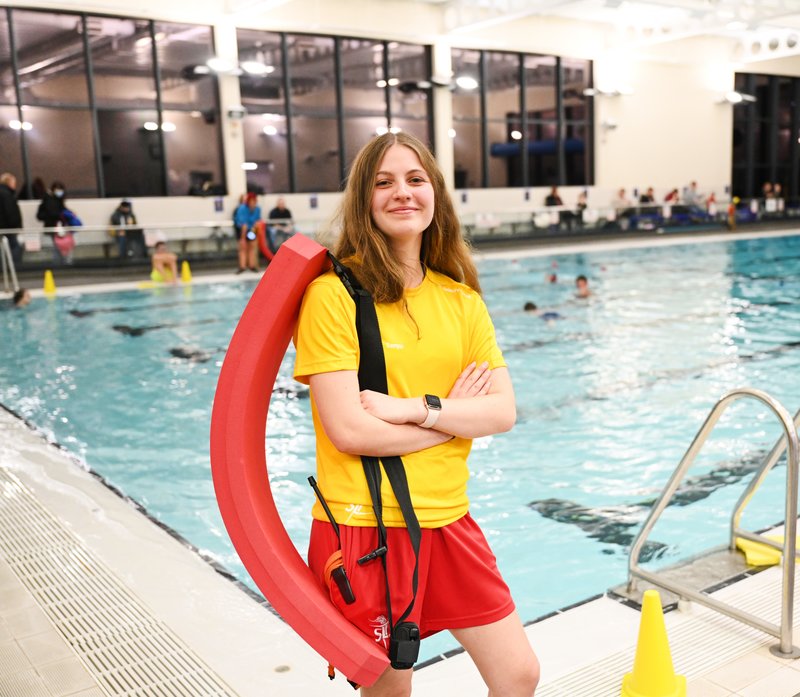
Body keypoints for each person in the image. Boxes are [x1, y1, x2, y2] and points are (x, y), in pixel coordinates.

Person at [293, 132, 540, 697]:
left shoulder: (462, 300)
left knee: (519, 674)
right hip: (367, 524)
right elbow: (350, 429)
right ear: (363, 200)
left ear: (435, 194)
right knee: (389, 691)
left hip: (450, 519)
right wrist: (454, 418)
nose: (401, 192)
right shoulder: (334, 296)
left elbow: (501, 413)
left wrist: (416, 412)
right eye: (383, 182)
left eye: (414, 179)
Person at [37, 181, 75, 265]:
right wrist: (63, 215)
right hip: (53, 227)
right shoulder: (49, 200)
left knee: (59, 246)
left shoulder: (57, 200)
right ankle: (58, 263)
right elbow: (53, 212)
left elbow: (62, 209)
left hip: (57, 227)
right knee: (57, 246)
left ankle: (61, 262)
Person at [233, 192, 262, 273]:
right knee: (243, 247)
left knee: (252, 246)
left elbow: (257, 221)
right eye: (251, 201)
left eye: (254, 202)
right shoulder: (242, 209)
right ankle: (242, 267)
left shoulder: (257, 209)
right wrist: (242, 238)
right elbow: (243, 225)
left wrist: (254, 232)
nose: (253, 203)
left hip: (251, 229)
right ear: (248, 202)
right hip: (241, 229)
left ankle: (252, 265)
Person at [0, 173, 23, 267]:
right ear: (9, 182)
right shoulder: (6, 194)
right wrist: (16, 226)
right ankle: (14, 268)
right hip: (8, 229)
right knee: (15, 248)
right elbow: (10, 212)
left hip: (4, 228)